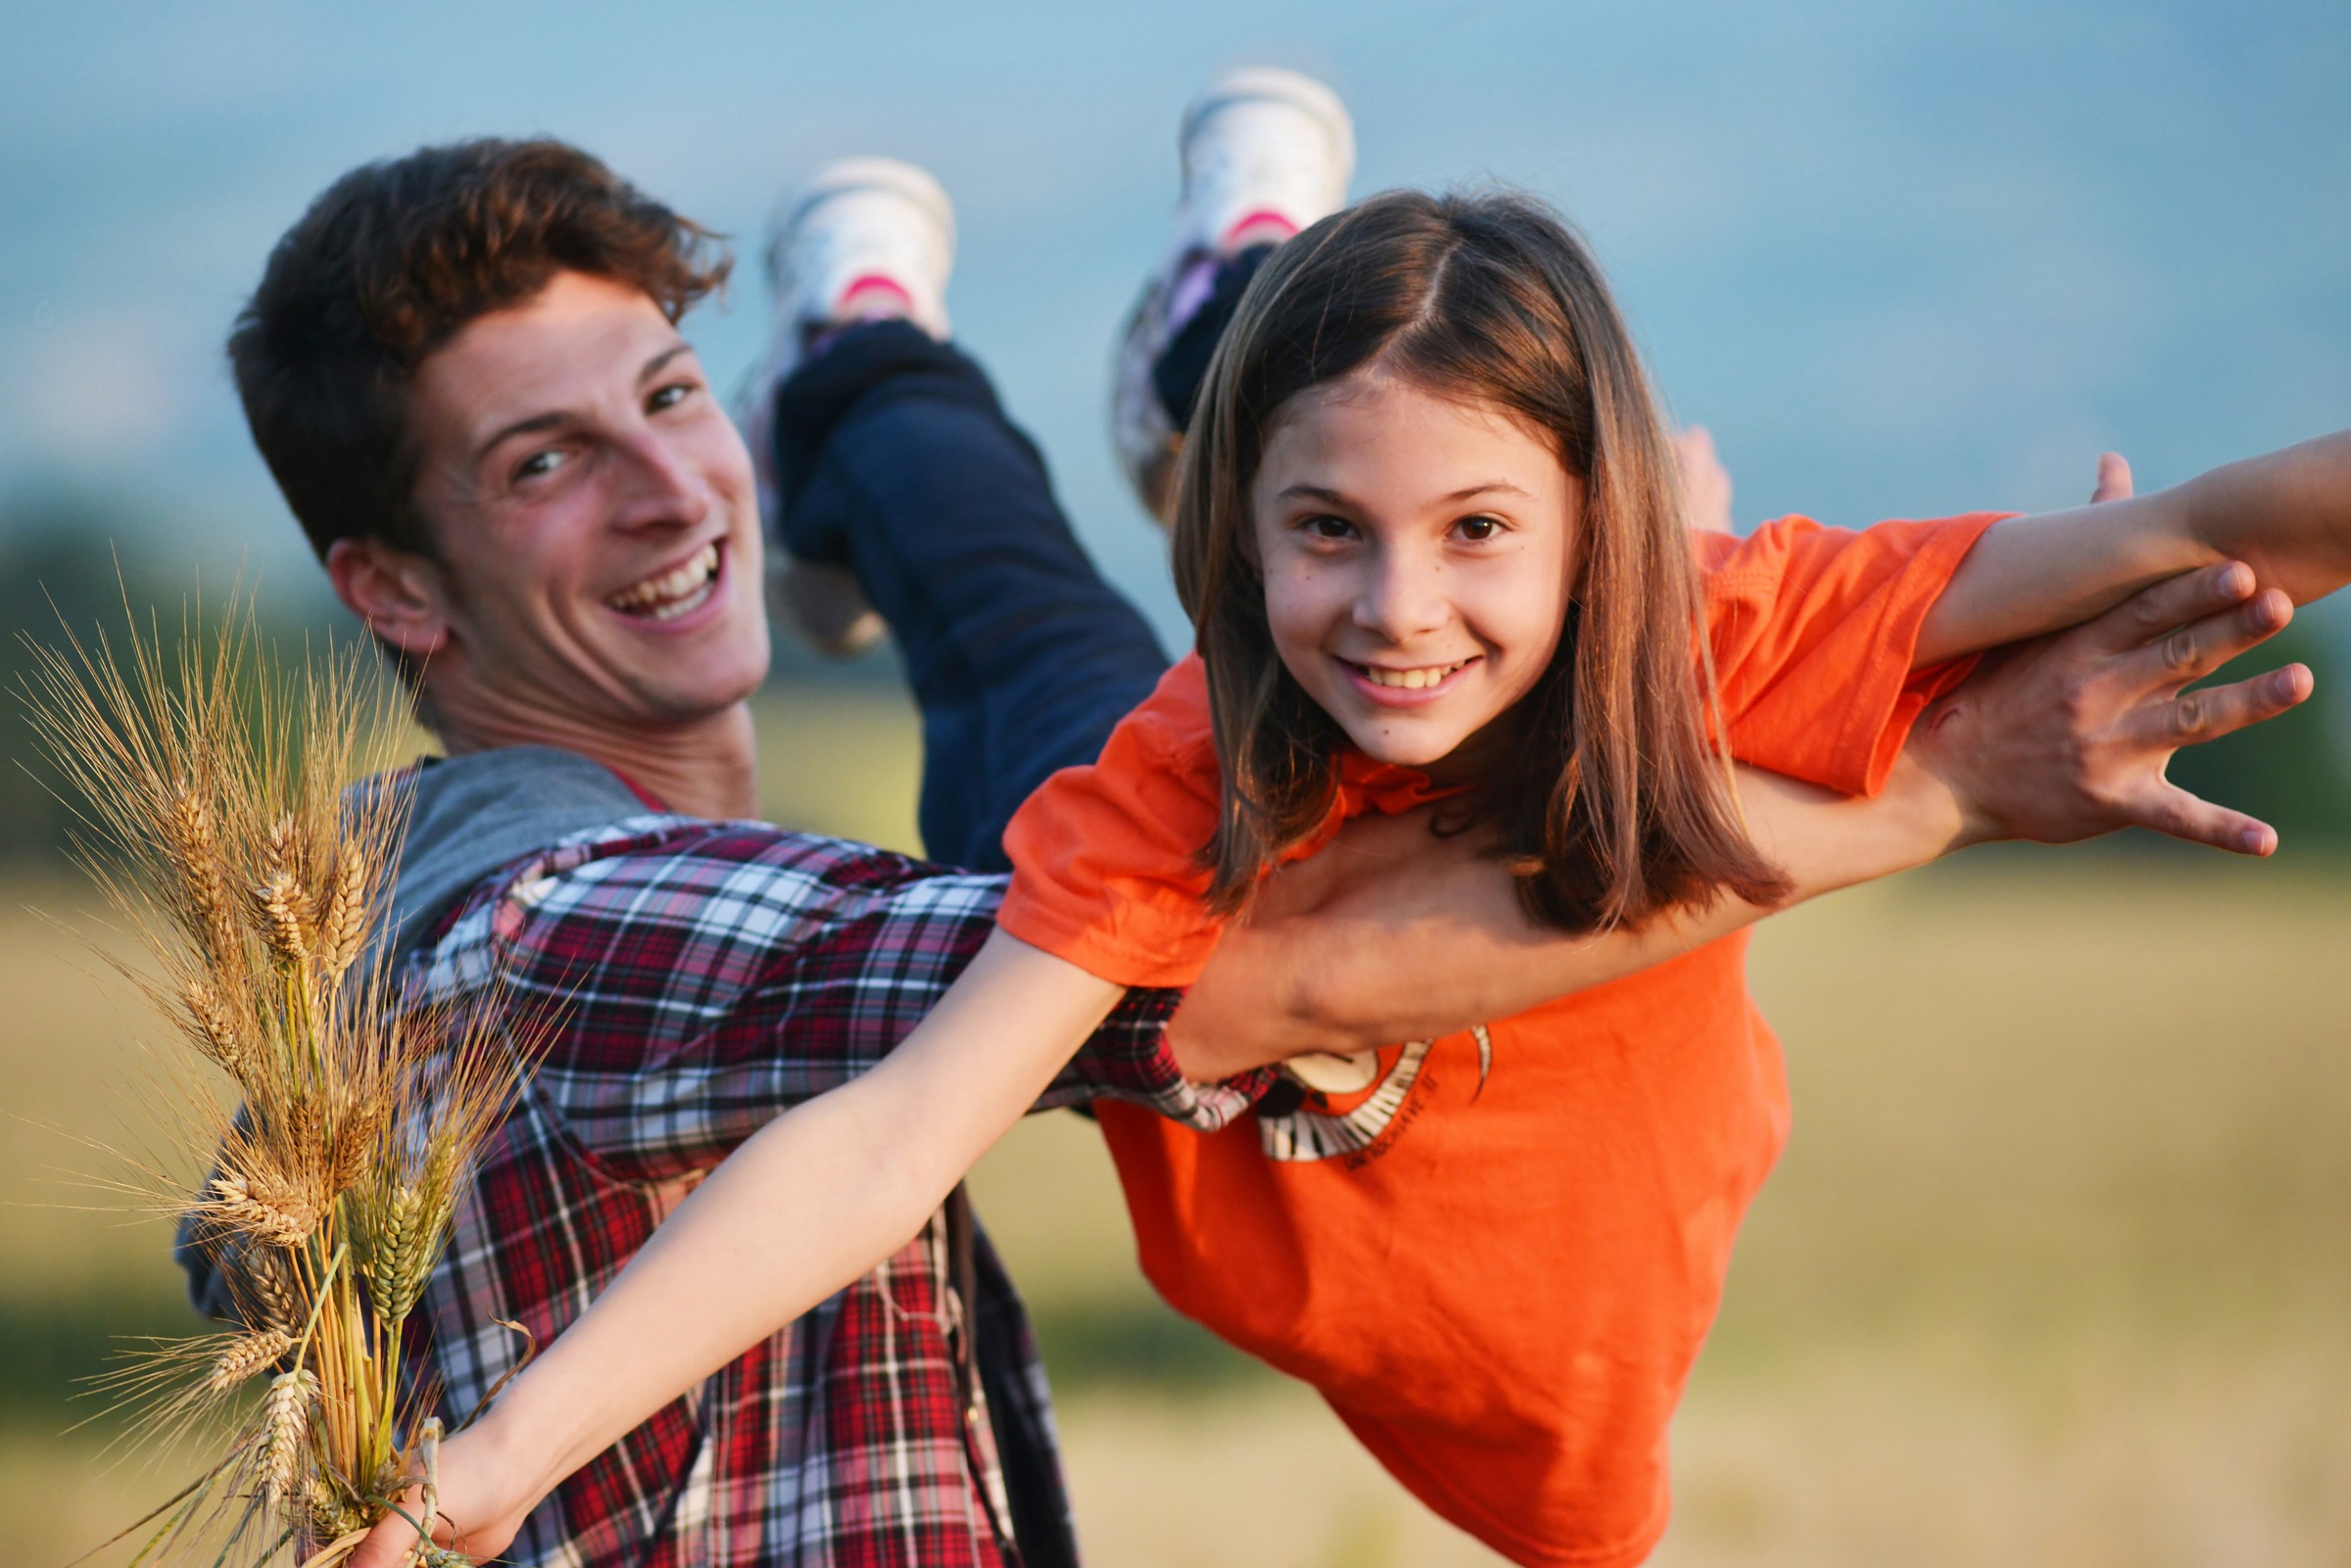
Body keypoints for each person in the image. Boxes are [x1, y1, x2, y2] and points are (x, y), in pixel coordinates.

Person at [348, 74, 2320, 1568]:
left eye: (1482, 538)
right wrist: (480, 1476)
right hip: (1209, 871)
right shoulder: (1172, 777)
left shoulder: (1722, 616)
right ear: (1240, 544)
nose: (1398, 610)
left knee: (1363, 425)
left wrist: (1920, 758)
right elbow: (880, 1146)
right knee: (1024, 636)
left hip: (1554, 1372)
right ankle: (865, 346)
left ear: (1607, 529)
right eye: (1322, 539)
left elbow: (2209, 526)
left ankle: (1235, 293)